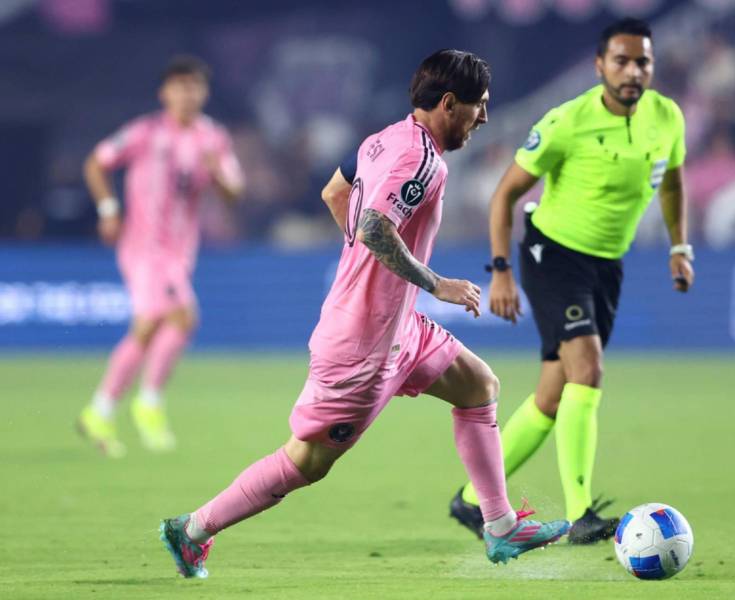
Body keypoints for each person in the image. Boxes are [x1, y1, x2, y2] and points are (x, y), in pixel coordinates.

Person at [159, 49, 569, 579]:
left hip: (399, 328)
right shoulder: (421, 161)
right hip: (361, 345)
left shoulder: (381, 140)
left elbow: (336, 192)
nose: (484, 117)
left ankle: (500, 525)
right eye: (479, 106)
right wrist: (434, 282)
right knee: (305, 464)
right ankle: (191, 529)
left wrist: (366, 271)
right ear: (449, 103)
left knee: (479, 388)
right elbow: (376, 227)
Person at [450, 18, 695, 544]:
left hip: (607, 264)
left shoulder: (666, 117)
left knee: (552, 396)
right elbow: (505, 195)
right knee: (588, 369)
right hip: (552, 253)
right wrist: (500, 271)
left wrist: (679, 246)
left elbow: (672, 183)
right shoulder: (568, 121)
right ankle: (583, 513)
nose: (633, 71)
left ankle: (470, 500)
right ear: (600, 66)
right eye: (622, 61)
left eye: (642, 62)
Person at [77, 55, 244, 457]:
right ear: (164, 92)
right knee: (183, 316)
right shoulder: (145, 132)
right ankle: (148, 403)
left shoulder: (213, 138)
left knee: (150, 325)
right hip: (144, 246)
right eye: (179, 86)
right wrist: (109, 210)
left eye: (194, 86)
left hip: (181, 251)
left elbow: (235, 192)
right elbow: (96, 164)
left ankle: (100, 410)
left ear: (204, 92)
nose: (187, 94)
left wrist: (217, 173)